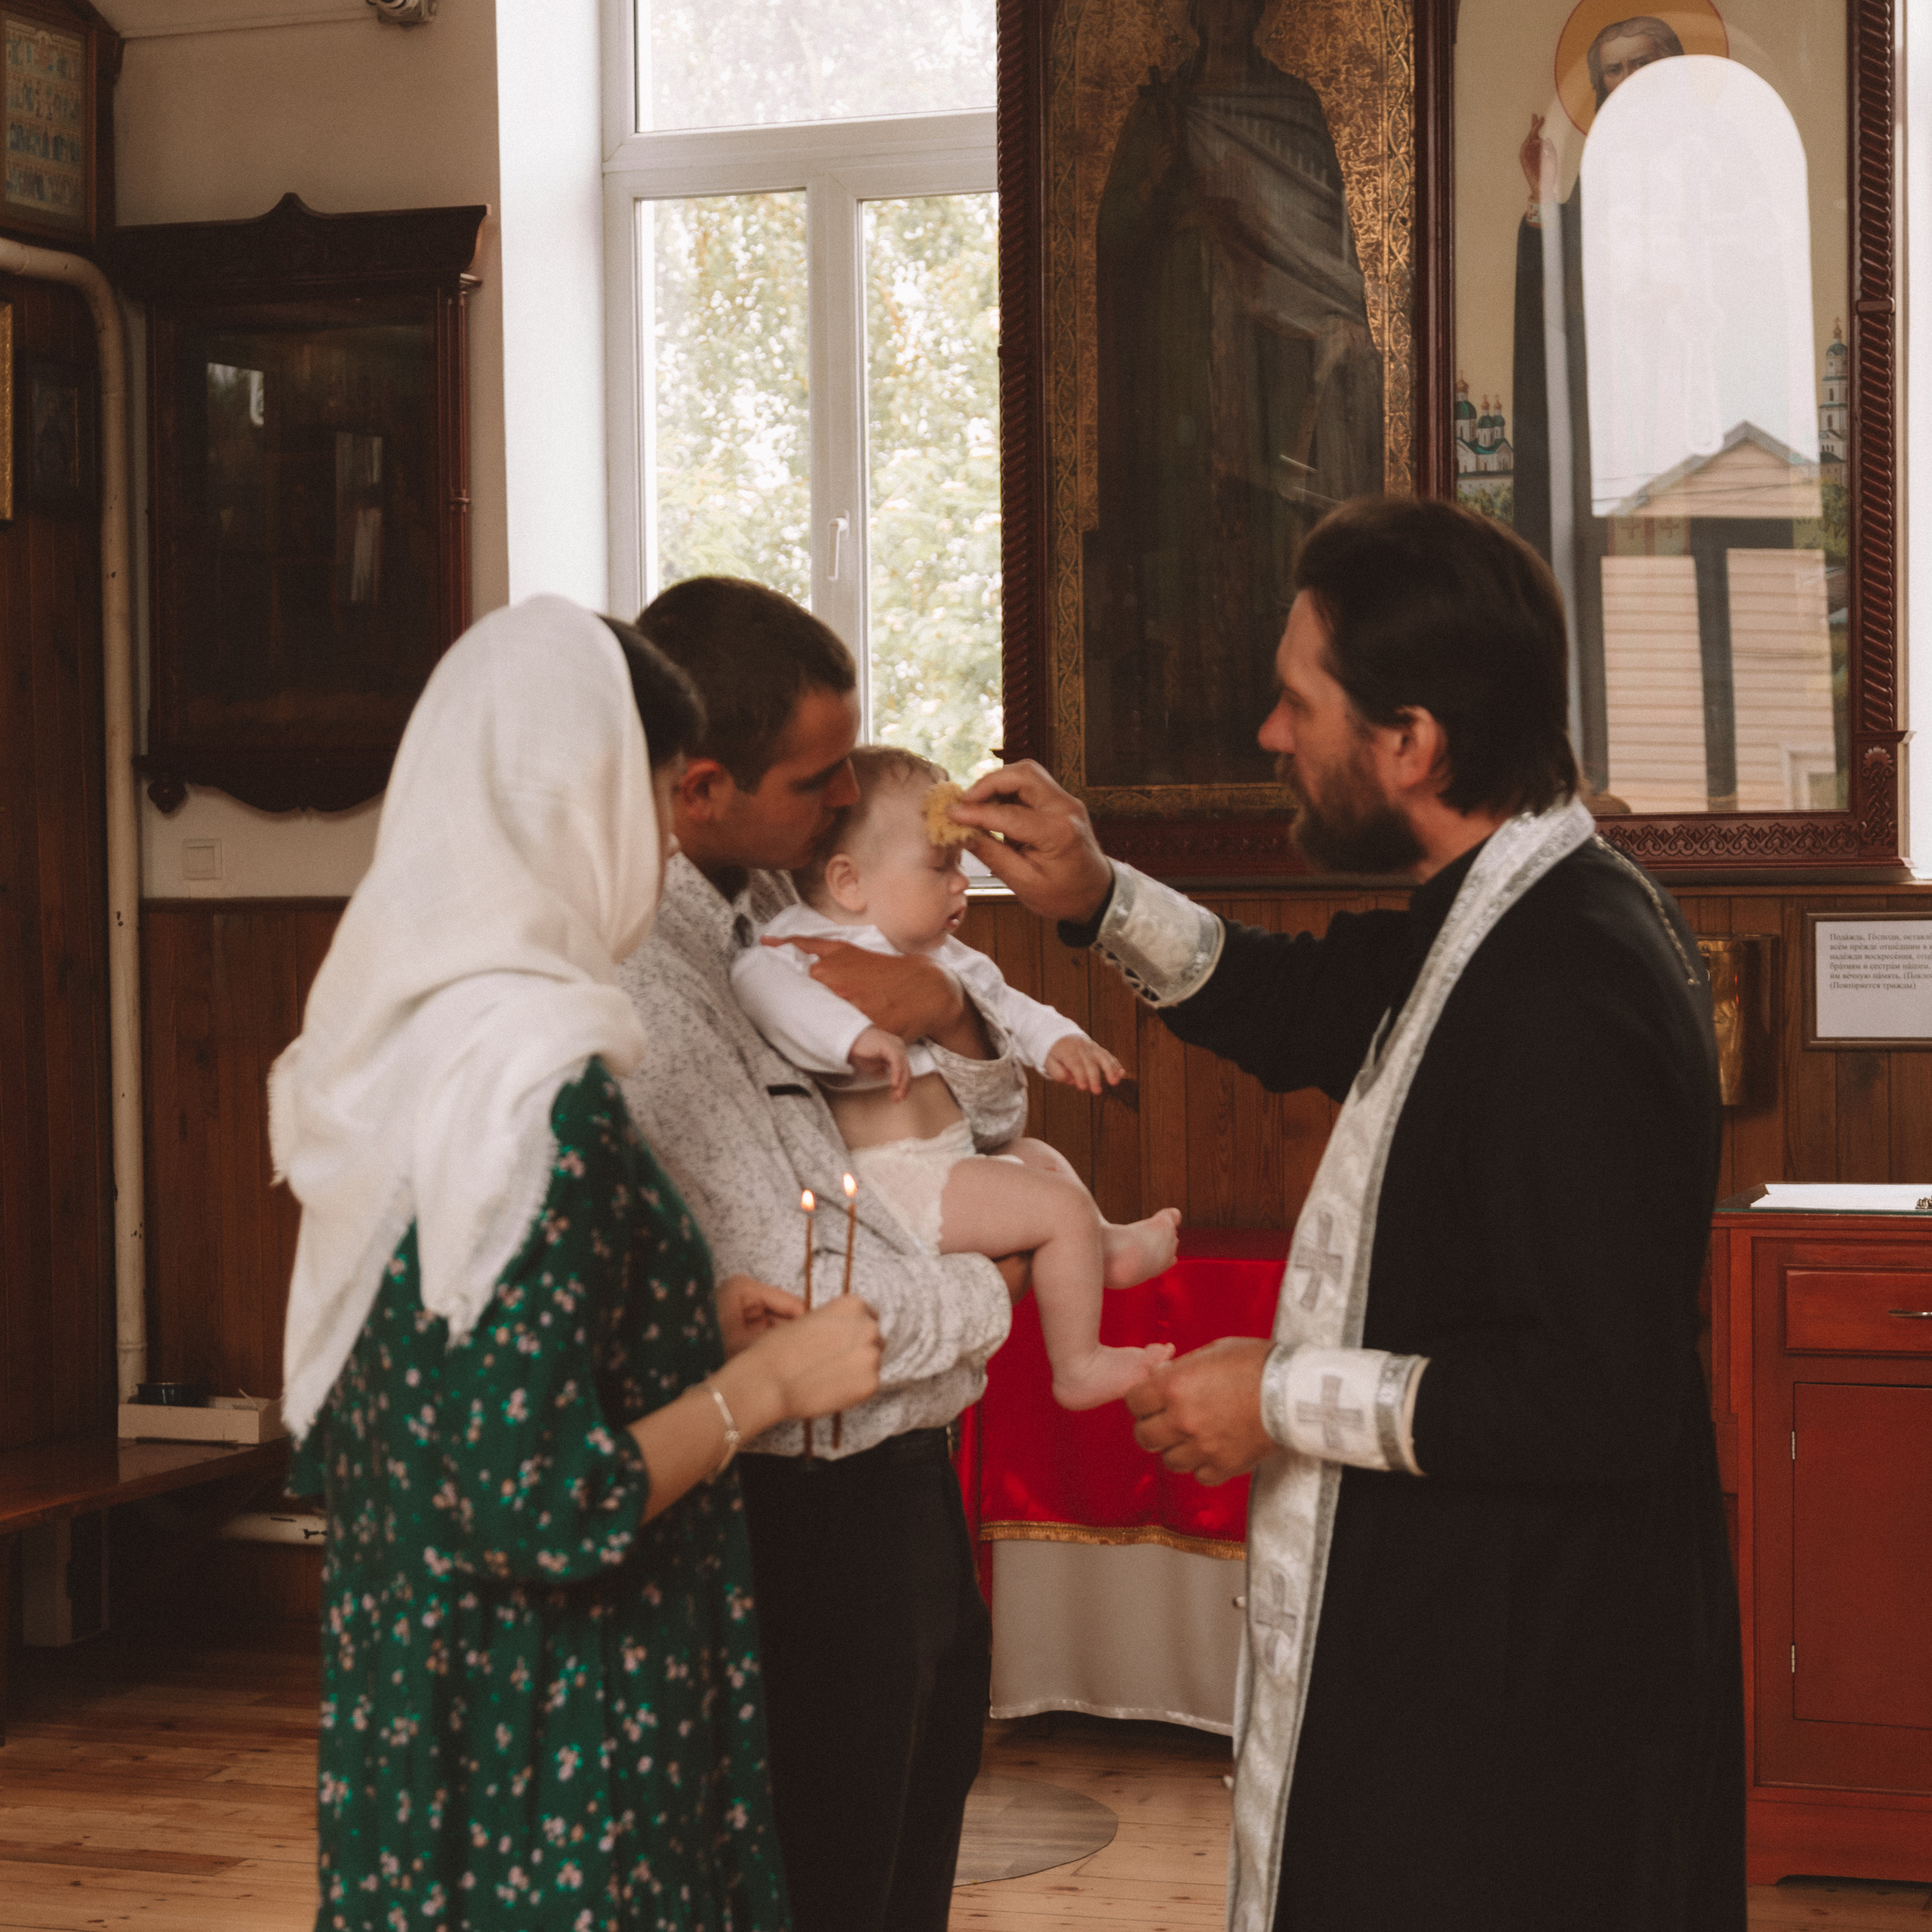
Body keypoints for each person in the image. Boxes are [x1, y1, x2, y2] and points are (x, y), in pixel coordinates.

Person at [949, 497, 1744, 1932]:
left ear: (1411, 742)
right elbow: (1307, 999)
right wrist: (1099, 894)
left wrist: (1278, 1396)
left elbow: (1597, 1397)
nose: (1273, 733)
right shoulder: (1508, 907)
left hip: (1524, 1694)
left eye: (1299, 702)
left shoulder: (1570, 984)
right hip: (1475, 1640)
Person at [275, 594, 881, 1931]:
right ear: (584, 803)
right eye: (655, 802)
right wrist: (769, 1388)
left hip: (416, 1689)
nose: (661, 841)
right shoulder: (536, 1085)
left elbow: (451, 1373)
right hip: (555, 1732)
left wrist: (679, 1321)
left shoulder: (401, 1039)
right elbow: (540, 1503)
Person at [614, 577, 1029, 1932]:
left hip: (906, 1480)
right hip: (799, 1522)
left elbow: (980, 1130)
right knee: (831, 1891)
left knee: (907, 1875)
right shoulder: (647, 985)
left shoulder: (782, 925)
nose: (849, 798)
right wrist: (987, 1292)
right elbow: (802, 1309)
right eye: (817, 777)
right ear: (700, 787)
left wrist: (955, 1020)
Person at [731, 743, 1180, 1410]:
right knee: (1058, 1209)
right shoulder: (790, 943)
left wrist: (1061, 1042)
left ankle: (1105, 1245)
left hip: (949, 1160)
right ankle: (1078, 1365)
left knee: (1038, 1156)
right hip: (893, 1179)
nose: (960, 885)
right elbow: (765, 992)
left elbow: (1007, 1004)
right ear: (850, 882)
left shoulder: (940, 954)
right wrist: (851, 1038)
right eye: (940, 868)